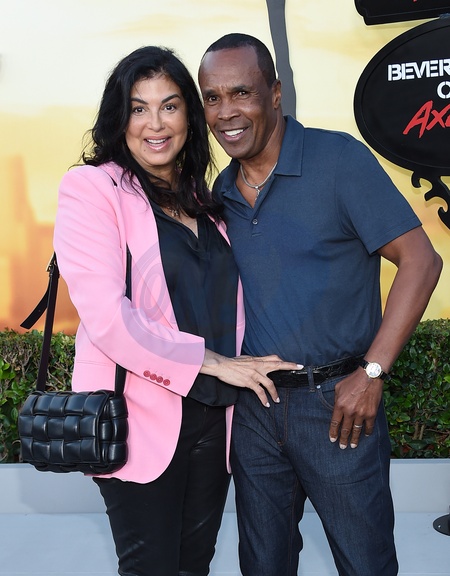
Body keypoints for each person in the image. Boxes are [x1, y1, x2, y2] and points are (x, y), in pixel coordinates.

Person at [198, 33, 443, 576]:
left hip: (338, 405)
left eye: (242, 93)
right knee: (263, 565)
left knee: (365, 563)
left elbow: (422, 261)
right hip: (256, 410)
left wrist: (372, 373)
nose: (226, 112)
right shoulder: (222, 191)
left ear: (275, 93)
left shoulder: (339, 160)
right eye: (212, 98)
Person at [53, 45, 298, 576]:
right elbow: (107, 317)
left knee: (194, 566)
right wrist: (215, 362)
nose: (155, 123)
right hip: (138, 417)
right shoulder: (93, 189)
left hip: (216, 419)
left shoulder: (205, 201)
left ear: (190, 114)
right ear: (120, 119)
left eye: (169, 105)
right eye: (138, 108)